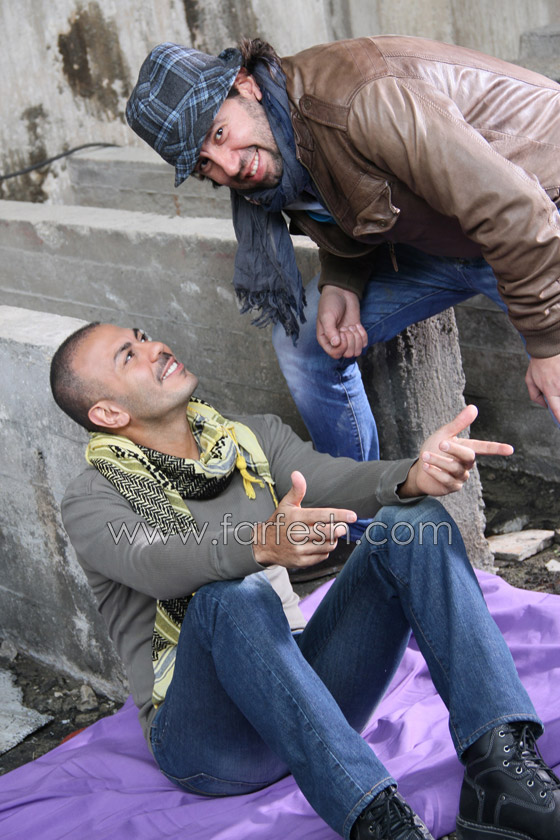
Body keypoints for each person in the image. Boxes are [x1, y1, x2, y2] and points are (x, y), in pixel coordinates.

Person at [50, 322, 559, 840]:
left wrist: (412, 475)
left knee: (414, 521)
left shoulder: (249, 439)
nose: (155, 348)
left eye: (143, 337)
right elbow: (157, 562)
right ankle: (380, 822)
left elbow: (335, 478)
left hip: (307, 691)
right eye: (128, 355)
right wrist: (258, 545)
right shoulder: (92, 500)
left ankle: (503, 775)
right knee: (231, 596)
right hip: (211, 742)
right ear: (108, 414)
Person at [126, 35, 560, 463]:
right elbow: (348, 190)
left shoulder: (358, 101)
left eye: (220, 133)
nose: (229, 166)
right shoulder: (277, 140)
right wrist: (343, 279)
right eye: (204, 163)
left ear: (245, 83)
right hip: (446, 238)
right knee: (301, 345)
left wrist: (548, 341)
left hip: (540, 214)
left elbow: (516, 210)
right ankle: (357, 500)